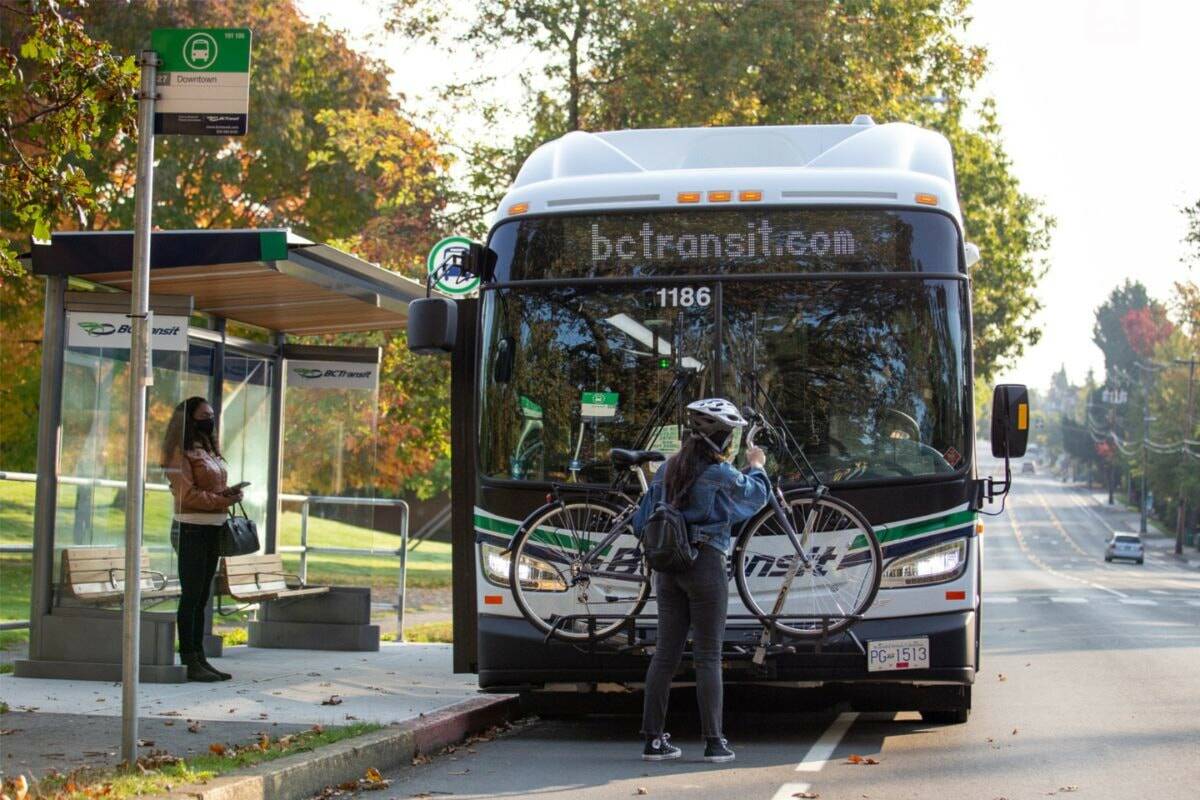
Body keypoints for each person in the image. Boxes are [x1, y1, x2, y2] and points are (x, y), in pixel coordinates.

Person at [633, 398, 770, 763]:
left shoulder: (665, 471)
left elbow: (640, 521)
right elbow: (757, 496)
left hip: (667, 569)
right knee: (707, 656)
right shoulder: (720, 473)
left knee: (665, 654)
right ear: (723, 440)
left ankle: (653, 741)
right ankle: (714, 742)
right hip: (705, 565)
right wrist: (756, 465)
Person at [162, 396, 242, 682]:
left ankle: (200, 657)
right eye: (204, 415)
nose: (209, 420)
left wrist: (230, 494)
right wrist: (222, 499)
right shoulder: (180, 452)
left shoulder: (206, 450)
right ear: (190, 419)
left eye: (211, 415)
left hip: (212, 528)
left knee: (202, 596)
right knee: (192, 595)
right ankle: (189, 658)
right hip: (191, 529)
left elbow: (209, 488)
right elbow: (186, 495)